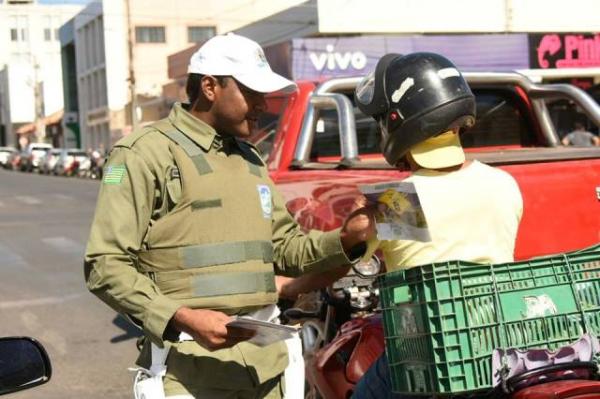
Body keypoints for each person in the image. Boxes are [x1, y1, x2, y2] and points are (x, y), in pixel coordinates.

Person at [84, 33, 373, 399]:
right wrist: (181, 316)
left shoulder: (250, 159)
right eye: (251, 93)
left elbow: (284, 248)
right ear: (209, 87)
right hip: (190, 372)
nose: (262, 106)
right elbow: (104, 264)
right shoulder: (143, 155)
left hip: (268, 369)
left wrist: (347, 239)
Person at [350, 52, 523, 398]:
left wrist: (357, 216)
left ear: (401, 123)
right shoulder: (504, 183)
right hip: (495, 351)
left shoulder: (398, 202)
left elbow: (347, 247)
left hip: (428, 355)